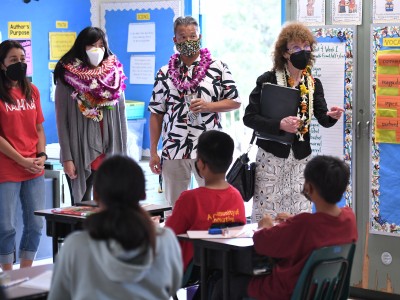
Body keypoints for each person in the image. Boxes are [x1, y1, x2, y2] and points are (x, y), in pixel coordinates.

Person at [211, 155, 358, 300]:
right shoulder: (349, 218)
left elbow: (263, 244)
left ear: (309, 187)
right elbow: (321, 229)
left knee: (223, 285)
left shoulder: (305, 224)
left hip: (286, 292)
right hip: (325, 291)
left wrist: (265, 227)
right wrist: (294, 221)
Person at [243, 22, 344, 222]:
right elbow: (249, 117)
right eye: (296, 48)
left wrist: (332, 116)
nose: (303, 52)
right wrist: (279, 124)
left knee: (298, 216)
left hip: (300, 159)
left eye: (307, 47)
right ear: (285, 53)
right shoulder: (268, 80)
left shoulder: (313, 83)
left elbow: (322, 118)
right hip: (271, 157)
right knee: (268, 217)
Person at [48, 155, 183, 300]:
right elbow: (173, 286)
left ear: (96, 196)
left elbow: (58, 296)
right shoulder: (165, 240)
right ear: (143, 194)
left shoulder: (75, 245)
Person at [148, 16, 241, 207]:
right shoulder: (164, 73)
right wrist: (153, 152)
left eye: (193, 36)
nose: (188, 41)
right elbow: (156, 113)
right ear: (175, 40)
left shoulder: (218, 67)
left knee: (212, 205)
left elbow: (235, 101)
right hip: (174, 148)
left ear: (200, 37)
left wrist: (209, 106)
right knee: (175, 206)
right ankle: (177, 237)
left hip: (208, 148)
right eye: (183, 37)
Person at [54, 26, 127, 205]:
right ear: (81, 47)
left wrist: (123, 155)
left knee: (108, 207)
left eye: (101, 45)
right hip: (81, 152)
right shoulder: (67, 77)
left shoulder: (114, 75)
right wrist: (67, 158)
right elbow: (62, 121)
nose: (97, 50)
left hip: (109, 150)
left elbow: (121, 116)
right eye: (91, 45)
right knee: (82, 210)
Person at [165, 130, 247, 271]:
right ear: (229, 161)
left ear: (201, 164)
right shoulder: (236, 196)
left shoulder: (189, 199)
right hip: (224, 266)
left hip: (190, 269)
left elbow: (169, 233)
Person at [0, 40, 46, 271]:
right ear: (2, 64)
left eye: (22, 58)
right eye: (13, 60)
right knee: (6, 226)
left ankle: (25, 273)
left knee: (36, 223)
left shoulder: (33, 91)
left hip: (33, 167)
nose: (20, 63)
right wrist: (21, 160)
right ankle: (7, 277)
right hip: (7, 168)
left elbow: (38, 128)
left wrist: (42, 155)